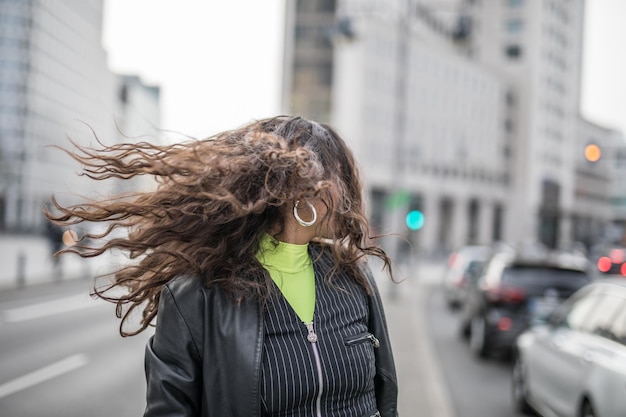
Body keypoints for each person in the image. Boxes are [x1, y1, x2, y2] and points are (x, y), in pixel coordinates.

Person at [46, 115, 398, 417]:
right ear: (298, 189)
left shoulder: (353, 274)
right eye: (340, 179)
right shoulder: (194, 297)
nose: (351, 196)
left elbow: (386, 398)